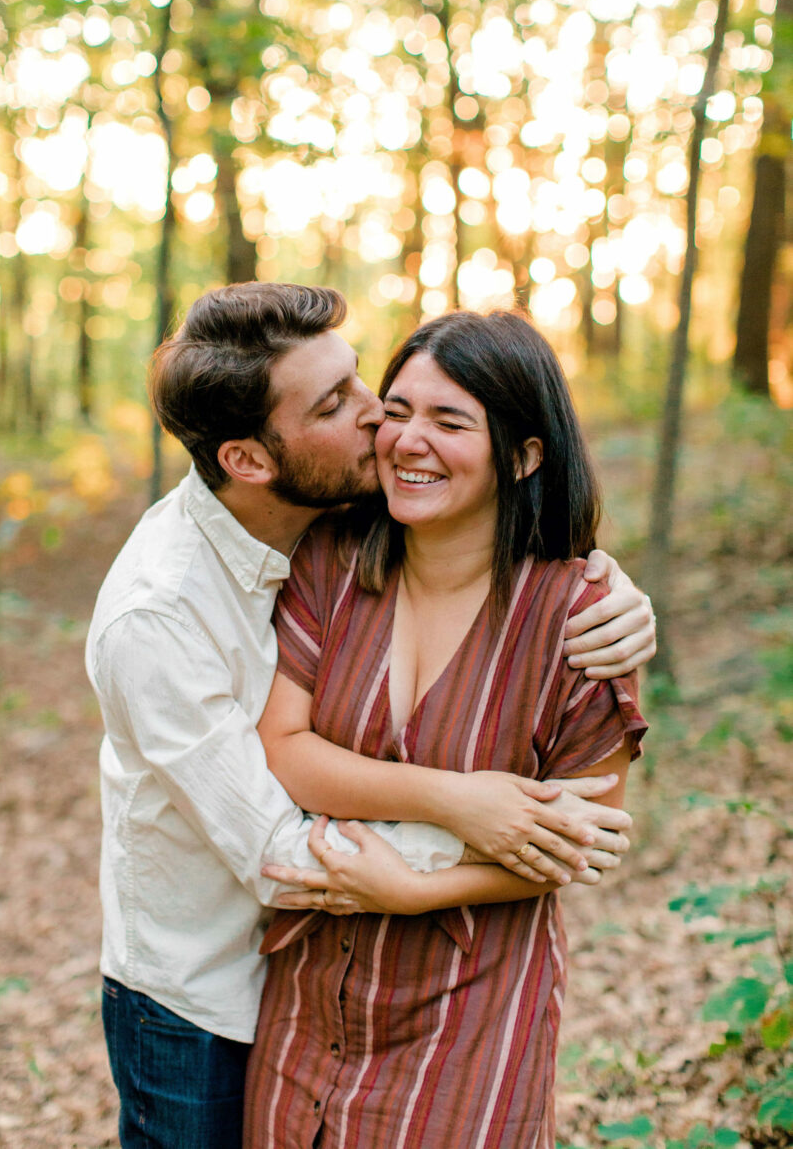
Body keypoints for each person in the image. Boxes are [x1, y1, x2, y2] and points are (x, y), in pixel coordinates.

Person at [86, 284, 654, 1149]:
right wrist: (478, 812)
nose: (378, 427)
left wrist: (611, 591)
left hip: (432, 998)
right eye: (342, 405)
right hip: (203, 991)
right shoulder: (164, 615)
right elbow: (279, 847)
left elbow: (497, 516)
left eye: (364, 388)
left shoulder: (352, 516)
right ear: (249, 460)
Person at [245, 308, 649, 1149]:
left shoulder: (579, 620)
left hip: (472, 1009)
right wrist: (458, 801)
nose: (407, 440)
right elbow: (282, 749)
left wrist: (416, 890)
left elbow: (577, 839)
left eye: (449, 420)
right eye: (396, 411)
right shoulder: (334, 558)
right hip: (309, 994)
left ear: (524, 454)